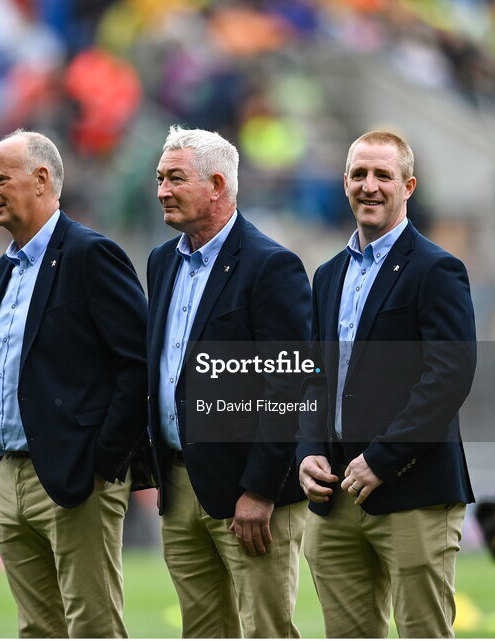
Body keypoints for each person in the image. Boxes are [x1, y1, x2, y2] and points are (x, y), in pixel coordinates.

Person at [0, 129, 148, 638]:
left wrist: (103, 461)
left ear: (42, 179)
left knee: (92, 626)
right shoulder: (8, 267)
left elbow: (136, 364)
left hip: (75, 479)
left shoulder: (92, 254)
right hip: (12, 477)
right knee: (36, 630)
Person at [297, 131, 476, 638]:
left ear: (409, 186)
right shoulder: (328, 275)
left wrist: (383, 458)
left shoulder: (437, 269)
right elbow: (315, 377)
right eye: (359, 174)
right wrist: (307, 448)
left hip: (413, 490)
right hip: (335, 498)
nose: (369, 186)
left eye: (383, 176)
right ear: (345, 183)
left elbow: (449, 376)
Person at [147, 125, 310, 637]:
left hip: (249, 493)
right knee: (201, 631)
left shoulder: (271, 266)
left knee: (266, 628)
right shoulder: (161, 262)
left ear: (217, 185)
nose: (161, 191)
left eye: (175, 178)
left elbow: (289, 388)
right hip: (179, 484)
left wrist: (259, 489)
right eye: (159, 178)